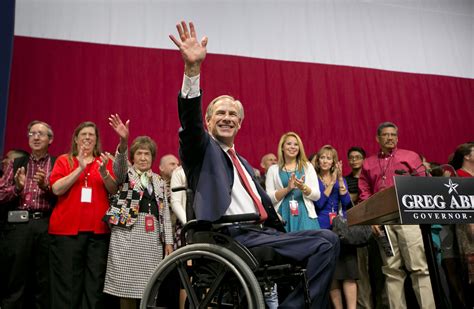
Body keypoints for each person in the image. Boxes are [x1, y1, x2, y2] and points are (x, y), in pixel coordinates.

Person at [169, 21, 339, 308]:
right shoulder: (202, 149)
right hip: (230, 237)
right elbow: (190, 121)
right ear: (208, 121)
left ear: (240, 123)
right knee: (325, 242)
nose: (227, 117)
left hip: (261, 233)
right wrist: (192, 71)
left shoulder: (244, 163)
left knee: (329, 240)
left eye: (233, 114)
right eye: (220, 113)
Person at [358, 121, 435, 309]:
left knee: (419, 268)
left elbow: (423, 182)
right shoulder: (368, 163)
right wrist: (372, 220)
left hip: (407, 217)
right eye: (385, 135)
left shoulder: (410, 156)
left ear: (397, 137)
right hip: (383, 222)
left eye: (393, 135)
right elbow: (364, 192)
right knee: (391, 270)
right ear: (378, 138)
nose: (390, 138)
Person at [103, 114, 173, 309]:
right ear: (133, 156)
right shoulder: (126, 174)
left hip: (152, 238)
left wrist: (168, 241)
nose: (143, 157)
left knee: (148, 287)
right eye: (139, 153)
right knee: (125, 287)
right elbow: (119, 166)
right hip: (126, 235)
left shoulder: (159, 181)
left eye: (147, 154)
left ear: (152, 157)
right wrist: (123, 142)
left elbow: (165, 213)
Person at [49, 121, 117, 309]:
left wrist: (104, 173)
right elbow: (56, 188)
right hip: (66, 232)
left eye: (91, 135)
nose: (87, 138)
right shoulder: (65, 160)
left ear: (96, 141)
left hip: (98, 232)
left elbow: (113, 190)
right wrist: (79, 168)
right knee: (68, 284)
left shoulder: (104, 161)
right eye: (83, 134)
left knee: (95, 283)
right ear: (76, 139)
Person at [0, 121, 56, 309]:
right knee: (15, 279)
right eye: (32, 133)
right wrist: (17, 188)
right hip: (19, 226)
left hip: (45, 225)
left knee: (43, 282)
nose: (36, 137)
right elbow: (1, 195)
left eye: (41, 134)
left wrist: (46, 187)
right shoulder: (16, 164)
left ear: (51, 139)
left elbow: (63, 196)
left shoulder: (57, 164)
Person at [314, 145, 356, 309]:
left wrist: (338, 180)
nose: (325, 161)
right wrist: (331, 184)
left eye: (329, 158)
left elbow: (347, 204)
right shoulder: (314, 178)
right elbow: (318, 204)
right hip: (323, 227)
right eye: (322, 157)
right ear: (318, 160)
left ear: (333, 162)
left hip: (341, 228)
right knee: (332, 273)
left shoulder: (340, 178)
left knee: (348, 272)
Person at [265, 132, 321, 232]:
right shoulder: (273, 169)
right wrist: (288, 188)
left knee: (308, 245)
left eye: (296, 144)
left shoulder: (307, 167)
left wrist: (303, 187)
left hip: (305, 215)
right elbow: (269, 198)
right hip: (282, 215)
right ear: (282, 147)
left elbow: (316, 195)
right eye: (289, 144)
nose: (293, 147)